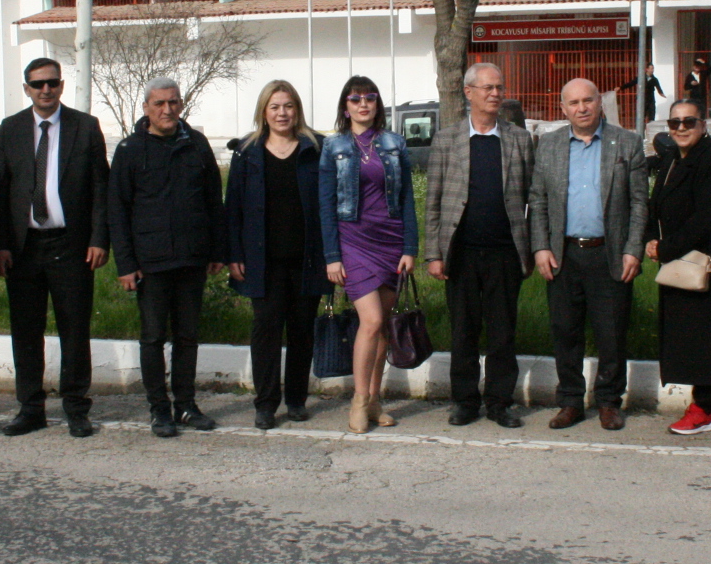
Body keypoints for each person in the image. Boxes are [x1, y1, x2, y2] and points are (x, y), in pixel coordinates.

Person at [0, 57, 109, 438]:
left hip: (70, 245)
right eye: (38, 84)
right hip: (24, 248)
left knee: (74, 328)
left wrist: (98, 238)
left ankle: (76, 407)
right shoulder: (10, 129)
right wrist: (0, 245)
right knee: (26, 329)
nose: (46, 90)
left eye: (52, 83)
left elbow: (100, 189)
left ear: (60, 85)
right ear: (26, 88)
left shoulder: (85, 127)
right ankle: (31, 408)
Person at [529, 78, 648, 430]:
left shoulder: (627, 143)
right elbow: (537, 200)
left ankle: (609, 402)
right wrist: (540, 246)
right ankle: (570, 401)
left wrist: (633, 249)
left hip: (609, 254)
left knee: (612, 332)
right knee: (565, 332)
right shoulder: (548, 145)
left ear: (600, 103)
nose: (581, 108)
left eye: (588, 101)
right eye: (573, 102)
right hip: (563, 254)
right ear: (562, 108)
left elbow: (640, 202)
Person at [111, 77, 226, 438]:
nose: (167, 110)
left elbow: (213, 201)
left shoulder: (196, 144)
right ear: (146, 107)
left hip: (192, 258)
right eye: (159, 103)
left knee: (188, 336)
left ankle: (186, 406)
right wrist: (127, 264)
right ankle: (159, 410)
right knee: (153, 338)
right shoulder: (130, 150)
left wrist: (217, 249)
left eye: (173, 102)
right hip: (151, 260)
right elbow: (118, 210)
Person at [425, 63, 536, 428]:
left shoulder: (518, 138)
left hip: (506, 251)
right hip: (462, 252)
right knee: (464, 331)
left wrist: (534, 248)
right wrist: (433, 253)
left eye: (499, 87)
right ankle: (465, 401)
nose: (495, 94)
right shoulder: (447, 139)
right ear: (468, 92)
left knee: (503, 332)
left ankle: (500, 402)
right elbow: (434, 199)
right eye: (487, 87)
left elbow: (534, 198)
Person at [317, 74, 419, 434]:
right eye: (356, 98)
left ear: (377, 104)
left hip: (390, 241)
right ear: (345, 107)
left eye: (370, 98)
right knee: (371, 321)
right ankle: (359, 401)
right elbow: (326, 204)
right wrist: (332, 255)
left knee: (384, 327)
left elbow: (406, 199)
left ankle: (375, 399)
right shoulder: (333, 148)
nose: (364, 104)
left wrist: (410, 248)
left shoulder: (394, 143)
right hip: (353, 242)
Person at [225, 80, 327, 429]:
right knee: (265, 331)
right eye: (275, 107)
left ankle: (296, 400)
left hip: (307, 259)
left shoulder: (316, 148)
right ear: (264, 112)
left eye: (288, 106)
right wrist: (234, 253)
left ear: (297, 110)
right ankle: (266, 404)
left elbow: (328, 205)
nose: (282, 113)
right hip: (261, 261)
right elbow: (233, 207)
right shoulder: (246, 152)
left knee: (302, 331)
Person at [645, 99, 711, 435]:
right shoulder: (673, 157)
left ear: (704, 124)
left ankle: (704, 407)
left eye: (689, 122)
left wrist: (665, 247)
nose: (681, 128)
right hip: (679, 262)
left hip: (703, 263)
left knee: (705, 339)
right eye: (675, 123)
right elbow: (655, 205)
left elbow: (706, 218)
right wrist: (649, 238)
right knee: (695, 335)